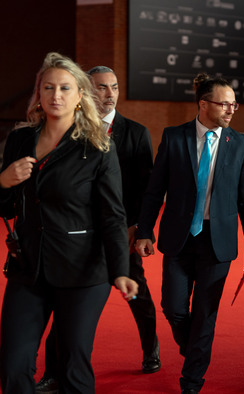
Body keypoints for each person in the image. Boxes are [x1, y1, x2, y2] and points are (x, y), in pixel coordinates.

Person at [0, 52, 138, 393]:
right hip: (28, 267)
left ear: (80, 96)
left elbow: (112, 215)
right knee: (13, 364)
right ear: (39, 94)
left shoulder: (97, 146)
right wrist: (3, 181)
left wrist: (121, 269)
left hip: (82, 271)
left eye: (65, 88)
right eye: (48, 87)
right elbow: (6, 208)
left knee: (73, 364)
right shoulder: (20, 140)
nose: (56, 95)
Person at [134, 73, 244, 394]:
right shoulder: (174, 137)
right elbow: (154, 189)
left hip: (217, 243)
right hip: (178, 238)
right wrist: (144, 231)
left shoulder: (241, 144)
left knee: (205, 315)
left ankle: (191, 382)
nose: (231, 110)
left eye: (234, 104)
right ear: (203, 105)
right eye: (224, 104)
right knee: (173, 307)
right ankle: (195, 350)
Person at [35, 66, 160, 394]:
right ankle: (52, 373)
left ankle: (151, 350)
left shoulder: (136, 132)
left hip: (121, 233)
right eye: (102, 88)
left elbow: (146, 188)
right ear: (86, 93)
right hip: (73, 237)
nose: (110, 94)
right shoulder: (69, 133)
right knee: (65, 309)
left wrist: (137, 228)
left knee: (137, 294)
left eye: (114, 87)